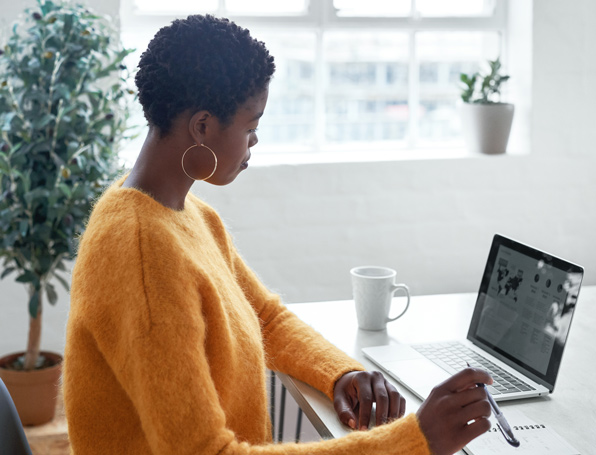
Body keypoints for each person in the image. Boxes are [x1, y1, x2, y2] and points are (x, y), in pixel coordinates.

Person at [62, 14, 492, 455]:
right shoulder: (142, 254)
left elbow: (265, 316)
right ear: (203, 126)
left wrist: (340, 373)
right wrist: (413, 441)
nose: (254, 141)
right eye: (250, 127)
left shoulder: (184, 214)